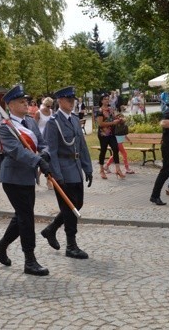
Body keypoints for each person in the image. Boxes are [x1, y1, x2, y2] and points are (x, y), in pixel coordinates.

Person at [0, 85, 51, 276]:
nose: (26, 104)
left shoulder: (30, 122)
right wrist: (37, 160)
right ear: (10, 105)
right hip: (13, 177)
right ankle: (29, 260)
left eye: (27, 101)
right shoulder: (6, 126)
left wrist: (45, 155)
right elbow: (16, 151)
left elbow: (42, 143)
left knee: (22, 214)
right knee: (26, 217)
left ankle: (1, 246)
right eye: (22, 102)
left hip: (28, 176)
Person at [39, 86, 93, 259]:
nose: (72, 102)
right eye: (68, 99)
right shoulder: (53, 123)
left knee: (78, 204)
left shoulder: (75, 120)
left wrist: (88, 168)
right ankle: (71, 245)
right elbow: (51, 150)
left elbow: (82, 146)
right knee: (70, 208)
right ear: (60, 101)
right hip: (63, 168)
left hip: (75, 167)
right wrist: (57, 175)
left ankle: (51, 229)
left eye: (73, 99)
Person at [95, 93, 125, 179]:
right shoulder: (100, 111)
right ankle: (101, 170)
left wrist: (120, 120)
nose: (106, 100)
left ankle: (118, 170)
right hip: (103, 134)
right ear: (101, 101)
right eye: (104, 99)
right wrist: (112, 123)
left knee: (116, 149)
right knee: (103, 151)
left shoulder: (111, 109)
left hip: (111, 134)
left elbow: (114, 118)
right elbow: (100, 124)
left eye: (107, 99)